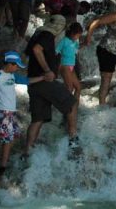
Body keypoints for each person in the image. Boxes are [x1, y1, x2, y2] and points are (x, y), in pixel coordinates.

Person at [0, 51, 47, 176]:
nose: (17, 68)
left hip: (11, 112)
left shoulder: (13, 76)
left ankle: (4, 161)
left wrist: (42, 78)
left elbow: (26, 80)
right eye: (16, 65)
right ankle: (2, 169)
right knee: (7, 140)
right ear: (9, 64)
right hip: (3, 112)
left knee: (12, 138)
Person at [23, 15, 80, 158]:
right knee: (72, 103)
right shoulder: (47, 35)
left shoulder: (37, 34)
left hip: (34, 83)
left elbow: (29, 53)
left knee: (37, 119)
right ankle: (73, 139)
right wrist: (48, 70)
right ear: (59, 26)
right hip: (44, 81)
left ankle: (28, 152)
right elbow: (37, 50)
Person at [56, 23, 83, 102]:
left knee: (78, 87)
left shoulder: (74, 42)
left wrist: (84, 43)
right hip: (65, 65)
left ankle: (74, 106)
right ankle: (65, 107)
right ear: (72, 33)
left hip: (71, 66)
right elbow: (55, 52)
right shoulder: (64, 41)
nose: (78, 37)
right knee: (69, 88)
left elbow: (78, 47)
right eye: (77, 35)